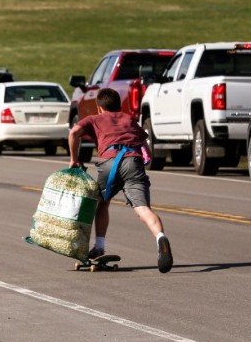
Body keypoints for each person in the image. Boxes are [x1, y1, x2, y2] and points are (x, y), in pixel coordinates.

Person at [68, 88, 173, 273]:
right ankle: (160, 237)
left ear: (99, 107)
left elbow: (74, 132)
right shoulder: (128, 118)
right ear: (119, 105)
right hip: (133, 161)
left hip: (110, 162)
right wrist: (144, 159)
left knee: (100, 203)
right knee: (142, 209)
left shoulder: (95, 118)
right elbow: (144, 144)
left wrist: (74, 159)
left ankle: (99, 246)